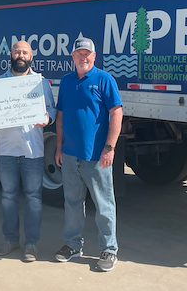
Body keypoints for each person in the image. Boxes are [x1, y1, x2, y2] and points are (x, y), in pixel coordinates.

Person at [54, 37, 123, 272]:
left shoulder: (105, 80)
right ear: (72, 57)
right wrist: (59, 147)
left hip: (97, 156)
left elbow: (116, 113)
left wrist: (109, 148)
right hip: (70, 155)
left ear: (94, 57)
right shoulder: (66, 82)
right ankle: (73, 245)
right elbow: (60, 116)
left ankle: (109, 249)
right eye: (78, 53)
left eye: (87, 54)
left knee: (104, 204)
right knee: (72, 203)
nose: (83, 57)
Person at [0, 40, 56, 262]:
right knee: (8, 197)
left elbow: (51, 109)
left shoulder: (40, 83)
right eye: (17, 51)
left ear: (31, 56)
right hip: (6, 149)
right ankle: (10, 239)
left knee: (33, 198)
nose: (20, 55)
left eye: (25, 52)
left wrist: (48, 118)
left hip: (32, 150)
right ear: (10, 54)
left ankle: (31, 244)